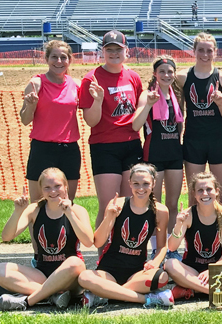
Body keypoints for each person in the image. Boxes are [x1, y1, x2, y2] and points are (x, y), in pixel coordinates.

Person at [0, 168, 94, 311]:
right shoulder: (35, 209)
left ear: (66, 186)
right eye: (47, 187)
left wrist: (69, 214)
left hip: (70, 276)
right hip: (42, 273)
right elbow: (6, 237)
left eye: (57, 186)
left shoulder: (77, 210)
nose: (53, 191)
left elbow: (89, 242)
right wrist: (17, 212)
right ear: (41, 190)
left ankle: (28, 301)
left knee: (75, 263)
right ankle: (52, 295)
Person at [78, 30, 143, 255]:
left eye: (118, 49)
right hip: (104, 146)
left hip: (132, 144)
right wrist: (97, 100)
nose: (114, 53)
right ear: (102, 52)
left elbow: (138, 112)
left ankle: (126, 256)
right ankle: (103, 257)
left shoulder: (133, 77)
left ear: (127, 51)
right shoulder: (91, 78)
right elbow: (91, 120)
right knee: (109, 206)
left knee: (129, 204)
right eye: (109, 49)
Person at [20, 40, 82, 265]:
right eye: (54, 57)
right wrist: (31, 105)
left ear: (69, 60)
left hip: (69, 149)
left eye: (63, 57)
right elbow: (25, 120)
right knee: (37, 206)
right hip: (42, 148)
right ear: (46, 59)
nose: (59, 61)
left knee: (67, 203)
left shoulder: (75, 84)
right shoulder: (36, 83)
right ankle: (39, 255)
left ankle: (69, 252)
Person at [78, 164, 173, 308]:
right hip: (108, 271)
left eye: (146, 183)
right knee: (84, 277)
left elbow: (162, 247)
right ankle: (146, 299)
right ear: (129, 183)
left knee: (162, 277)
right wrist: (109, 216)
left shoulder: (160, 211)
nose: (141, 188)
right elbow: (98, 243)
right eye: (136, 183)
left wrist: (155, 262)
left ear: (154, 184)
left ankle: (104, 294)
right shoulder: (118, 204)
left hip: (135, 273)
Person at [133, 56, 184, 260]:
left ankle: (171, 249)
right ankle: (155, 248)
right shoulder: (147, 95)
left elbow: (179, 126)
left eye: (170, 71)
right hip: (154, 154)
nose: (166, 75)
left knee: (172, 204)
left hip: (174, 154)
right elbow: (135, 125)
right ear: (155, 74)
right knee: (155, 205)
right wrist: (148, 105)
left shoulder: (176, 95)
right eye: (162, 71)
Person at [176, 32, 222, 208]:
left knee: (220, 194)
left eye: (209, 50)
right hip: (194, 140)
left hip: (219, 140)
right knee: (195, 194)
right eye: (201, 50)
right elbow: (179, 114)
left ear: (215, 52)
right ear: (194, 51)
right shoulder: (182, 77)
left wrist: (220, 103)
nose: (205, 55)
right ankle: (194, 234)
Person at [164, 172, 222, 300]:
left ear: (217, 191)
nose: (205, 194)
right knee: (169, 264)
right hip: (192, 270)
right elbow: (171, 247)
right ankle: (213, 291)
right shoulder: (188, 215)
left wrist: (213, 269)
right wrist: (178, 224)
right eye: (200, 190)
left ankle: (192, 289)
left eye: (209, 189)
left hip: (217, 267)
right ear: (194, 193)